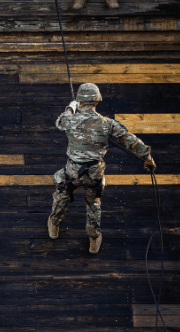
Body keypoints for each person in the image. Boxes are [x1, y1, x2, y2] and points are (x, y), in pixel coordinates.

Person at [48, 82, 156, 254]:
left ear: (80, 100)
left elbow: (60, 123)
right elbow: (130, 140)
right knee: (93, 204)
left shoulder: (70, 119)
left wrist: (71, 108)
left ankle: (54, 225)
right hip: (93, 174)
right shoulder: (107, 124)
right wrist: (147, 158)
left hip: (73, 172)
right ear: (97, 100)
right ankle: (93, 240)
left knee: (63, 192)